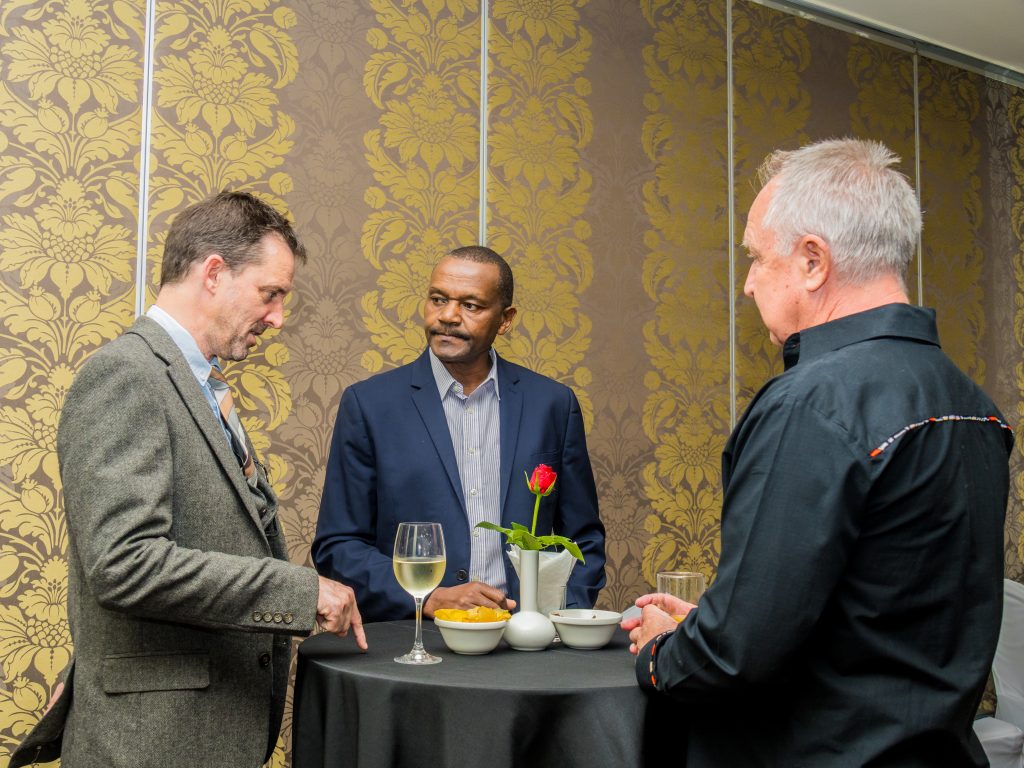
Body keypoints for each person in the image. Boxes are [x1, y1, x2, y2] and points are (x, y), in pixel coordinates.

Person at [624, 138, 1013, 766]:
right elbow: (881, 615)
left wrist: (663, 652)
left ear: (812, 261)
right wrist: (717, 621)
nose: (748, 285)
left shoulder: (809, 405)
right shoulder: (977, 404)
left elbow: (733, 660)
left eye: (754, 257)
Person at [10, 191, 367, 768]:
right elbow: (124, 563)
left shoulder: (198, 383)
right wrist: (300, 593)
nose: (278, 317)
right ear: (214, 273)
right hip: (152, 744)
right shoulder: (126, 375)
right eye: (270, 293)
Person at [313, 246, 606, 621]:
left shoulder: (552, 404)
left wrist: (561, 619)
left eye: (471, 305)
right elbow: (338, 547)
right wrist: (431, 598)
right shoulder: (370, 405)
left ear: (505, 319)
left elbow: (583, 540)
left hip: (526, 644)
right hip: (416, 639)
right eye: (438, 299)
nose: (448, 316)